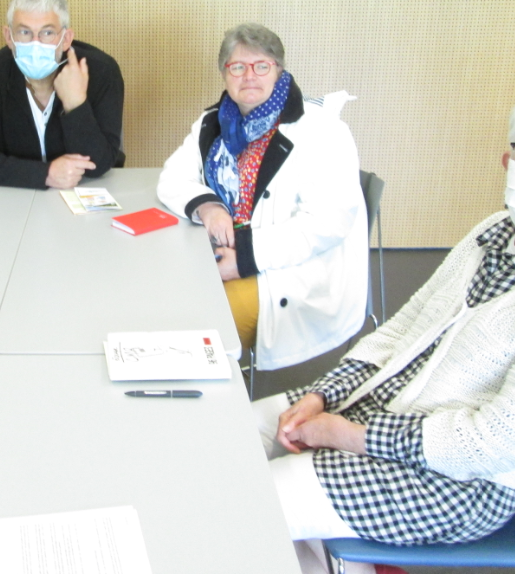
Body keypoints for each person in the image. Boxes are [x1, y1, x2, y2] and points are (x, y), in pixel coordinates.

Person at [255, 80, 515, 563]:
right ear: (509, 162)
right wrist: (320, 396)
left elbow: (497, 444)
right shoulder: (491, 233)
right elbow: (398, 332)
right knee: (230, 433)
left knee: (252, 501)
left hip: (457, 481)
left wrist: (346, 435)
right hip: (376, 409)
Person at [157, 23, 367, 363]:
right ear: (225, 74)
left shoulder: (324, 131)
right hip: (223, 254)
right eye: (238, 67)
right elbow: (172, 177)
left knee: (195, 338)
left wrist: (245, 257)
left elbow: (327, 224)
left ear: (279, 71)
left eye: (261, 66)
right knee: (161, 303)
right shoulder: (214, 122)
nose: (249, 76)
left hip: (289, 274)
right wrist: (208, 206)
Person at [0, 0, 125, 189]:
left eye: (47, 32)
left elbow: (99, 165)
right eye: (24, 32)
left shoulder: (101, 72)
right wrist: (45, 174)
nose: (35, 43)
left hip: (84, 190)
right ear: (9, 37)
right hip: (16, 193)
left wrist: (75, 104)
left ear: (66, 38)